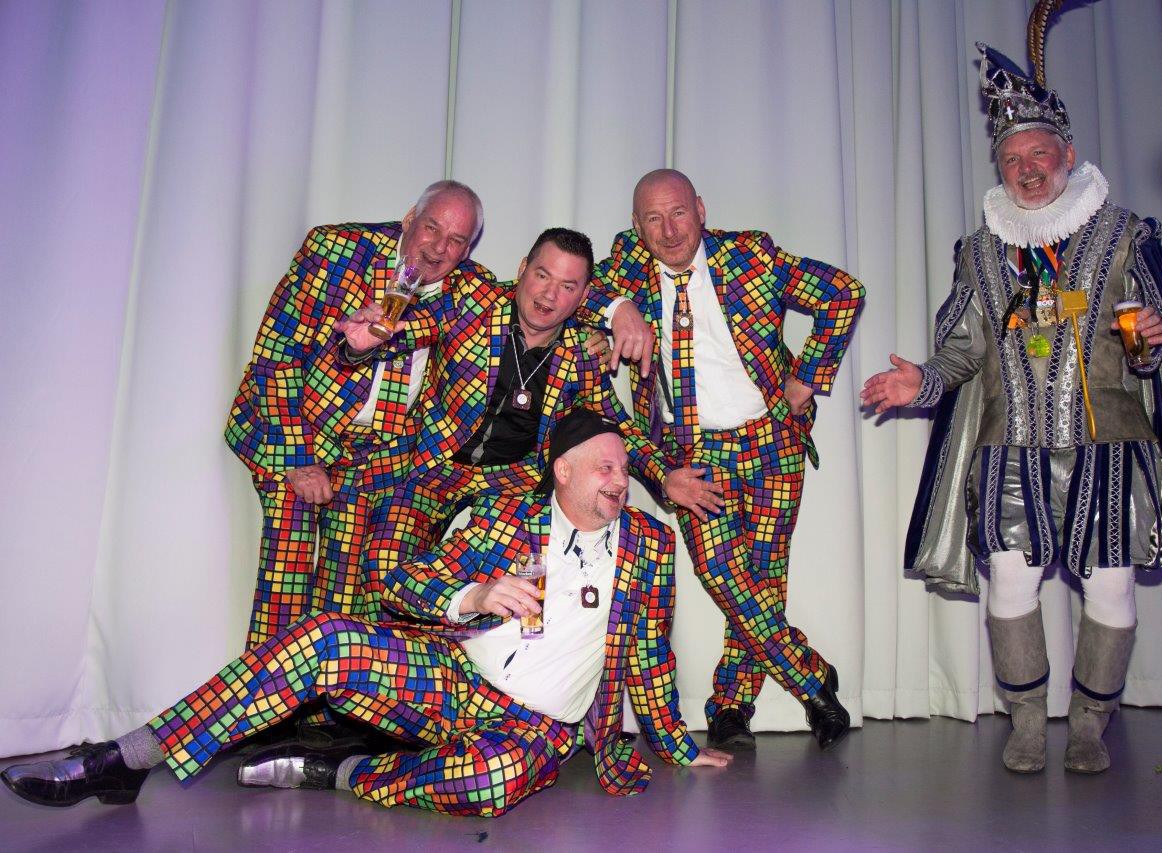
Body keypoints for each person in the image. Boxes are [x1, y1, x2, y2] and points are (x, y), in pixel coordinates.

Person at [1, 410, 732, 817]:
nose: (620, 480)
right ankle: (125, 757)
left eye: (624, 467)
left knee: (489, 784)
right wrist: (471, 596)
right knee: (323, 638)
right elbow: (406, 585)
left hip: (534, 726)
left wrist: (676, 744)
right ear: (563, 470)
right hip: (452, 679)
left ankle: (344, 770)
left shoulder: (649, 544)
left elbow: (648, 654)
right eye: (605, 466)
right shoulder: (505, 519)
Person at [861, 44, 1162, 774]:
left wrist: (1151, 343)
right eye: (1012, 158)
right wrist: (921, 382)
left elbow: (1150, 350)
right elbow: (961, 353)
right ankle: (1026, 721)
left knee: (1112, 584)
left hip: (1108, 444)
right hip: (1008, 447)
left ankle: (1089, 724)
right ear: (999, 167)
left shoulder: (1125, 235)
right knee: (1012, 579)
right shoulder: (979, 253)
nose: (1026, 169)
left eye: (1039, 154)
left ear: (1068, 155)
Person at [589, 169, 866, 751]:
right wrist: (617, 308)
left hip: (772, 441)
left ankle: (731, 707)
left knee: (760, 580)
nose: (669, 231)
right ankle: (814, 680)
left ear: (701, 209)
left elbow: (843, 292)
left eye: (678, 213)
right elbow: (565, 289)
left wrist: (808, 377)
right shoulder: (626, 266)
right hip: (695, 454)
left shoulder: (751, 256)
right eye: (653, 219)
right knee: (722, 573)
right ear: (636, 226)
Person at [340, 227, 701, 617]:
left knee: (516, 593)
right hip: (434, 467)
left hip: (514, 482)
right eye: (542, 275)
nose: (549, 294)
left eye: (567, 286)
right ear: (522, 269)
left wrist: (664, 475)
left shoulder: (582, 353)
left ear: (583, 296)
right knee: (382, 569)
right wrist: (358, 347)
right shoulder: (472, 303)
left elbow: (618, 425)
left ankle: (476, 649)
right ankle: (391, 647)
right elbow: (408, 330)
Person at [225, 180, 491, 649]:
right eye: (432, 228)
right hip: (294, 428)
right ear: (409, 219)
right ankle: (263, 693)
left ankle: (321, 694)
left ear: (468, 249)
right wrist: (299, 458)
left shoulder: (472, 288)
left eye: (456, 240)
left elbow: (547, 290)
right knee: (287, 571)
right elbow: (276, 356)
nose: (438, 248)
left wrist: (613, 313)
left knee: (343, 599)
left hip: (374, 458)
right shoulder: (335, 250)